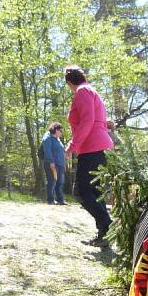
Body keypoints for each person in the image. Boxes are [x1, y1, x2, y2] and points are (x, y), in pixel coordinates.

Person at [63, 65, 114, 246]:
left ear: (69, 82)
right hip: (99, 147)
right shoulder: (92, 91)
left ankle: (108, 225)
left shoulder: (83, 91)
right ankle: (104, 234)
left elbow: (87, 120)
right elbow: (97, 119)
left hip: (92, 147)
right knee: (94, 192)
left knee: (82, 192)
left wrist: (71, 146)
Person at [40, 122, 66, 205]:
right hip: (52, 164)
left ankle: (60, 200)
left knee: (60, 183)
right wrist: (51, 162)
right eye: (60, 131)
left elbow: (61, 151)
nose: (61, 133)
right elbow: (47, 151)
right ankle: (50, 200)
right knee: (52, 181)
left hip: (60, 165)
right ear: (56, 130)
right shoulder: (48, 138)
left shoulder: (58, 140)